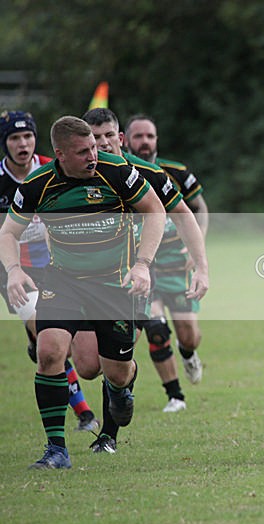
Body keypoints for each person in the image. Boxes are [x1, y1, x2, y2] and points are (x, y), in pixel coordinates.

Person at [0, 116, 166, 468]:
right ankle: (56, 450)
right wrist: (13, 270)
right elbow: (8, 232)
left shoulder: (117, 171)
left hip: (114, 284)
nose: (94, 155)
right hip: (63, 282)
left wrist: (142, 264)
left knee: (112, 372)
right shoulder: (37, 185)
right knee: (48, 353)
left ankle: (120, 390)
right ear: (60, 154)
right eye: (83, 151)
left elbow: (155, 210)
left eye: (94, 146)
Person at [79, 108, 209, 453]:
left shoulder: (150, 173)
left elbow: (185, 214)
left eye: (108, 135)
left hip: (142, 276)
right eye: (94, 138)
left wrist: (202, 266)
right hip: (90, 281)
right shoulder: (79, 177)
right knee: (89, 367)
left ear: (119, 138)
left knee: (123, 361)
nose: (102, 143)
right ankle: (123, 391)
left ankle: (108, 435)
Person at [0, 110, 99, 433]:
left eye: (27, 136)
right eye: (14, 138)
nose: (22, 143)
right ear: (5, 143)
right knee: (51, 339)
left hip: (52, 267)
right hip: (14, 271)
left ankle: (35, 342)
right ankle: (84, 412)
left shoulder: (52, 169)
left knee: (60, 342)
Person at [124, 115, 207, 393]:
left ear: (157, 139)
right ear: (126, 139)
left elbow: (200, 208)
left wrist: (197, 246)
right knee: (156, 329)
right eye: (139, 136)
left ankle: (188, 354)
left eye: (150, 136)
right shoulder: (119, 173)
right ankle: (175, 394)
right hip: (142, 266)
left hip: (177, 263)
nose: (145, 142)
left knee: (189, 336)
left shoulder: (176, 171)